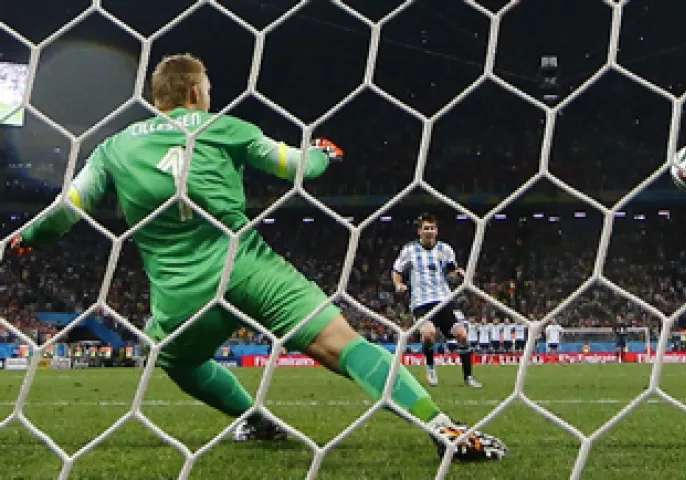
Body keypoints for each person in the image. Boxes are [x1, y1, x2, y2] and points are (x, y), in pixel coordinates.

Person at [5, 53, 506, 461]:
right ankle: (440, 424)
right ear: (196, 92)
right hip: (247, 266)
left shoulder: (112, 148)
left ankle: (253, 418)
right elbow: (296, 166)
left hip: (180, 295)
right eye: (207, 88)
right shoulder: (227, 127)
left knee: (178, 361)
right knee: (342, 345)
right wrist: (324, 155)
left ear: (157, 98)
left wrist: (27, 238)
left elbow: (69, 208)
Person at [391, 213, 482, 388]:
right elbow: (396, 270)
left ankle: (469, 377)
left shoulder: (445, 250)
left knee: (462, 335)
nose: (429, 231)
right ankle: (431, 368)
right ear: (419, 231)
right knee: (428, 333)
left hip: (444, 299)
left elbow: (451, 273)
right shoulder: (410, 250)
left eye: (432, 228)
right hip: (421, 301)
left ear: (437, 231)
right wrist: (398, 284)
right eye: (426, 228)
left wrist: (458, 275)